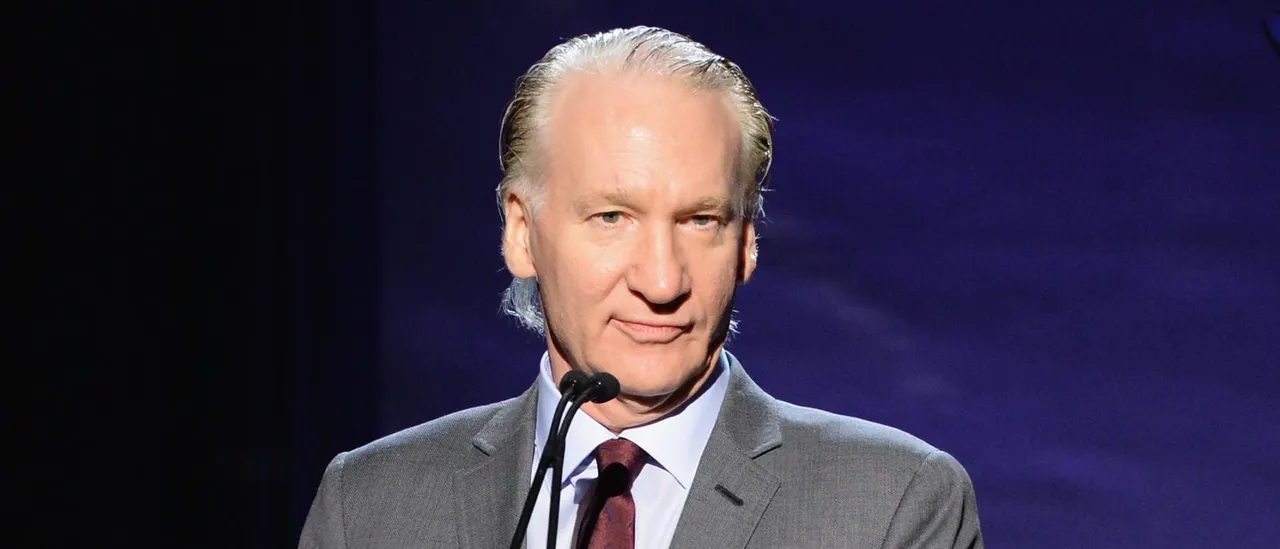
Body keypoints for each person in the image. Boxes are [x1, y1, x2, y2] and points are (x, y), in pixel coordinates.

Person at [298, 26, 983, 549]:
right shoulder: (370, 506)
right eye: (612, 217)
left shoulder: (891, 505)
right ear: (521, 234)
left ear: (746, 244)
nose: (661, 281)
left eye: (701, 220)